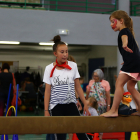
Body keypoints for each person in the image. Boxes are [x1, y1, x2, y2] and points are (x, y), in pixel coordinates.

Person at [43, 35, 90, 140]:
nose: (65, 54)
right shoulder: (49, 68)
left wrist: (85, 102)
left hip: (71, 104)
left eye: (66, 51)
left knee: (81, 133)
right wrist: (46, 110)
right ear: (55, 53)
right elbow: (47, 91)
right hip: (56, 106)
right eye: (62, 52)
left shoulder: (73, 66)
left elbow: (78, 87)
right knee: (60, 135)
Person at [101, 10, 140, 117]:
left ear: (121, 21)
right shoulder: (128, 31)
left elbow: (124, 38)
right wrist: (127, 59)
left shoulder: (123, 31)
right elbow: (134, 51)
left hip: (132, 63)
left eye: (113, 21)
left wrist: (124, 44)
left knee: (119, 84)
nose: (111, 24)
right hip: (136, 62)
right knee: (131, 86)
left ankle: (114, 110)